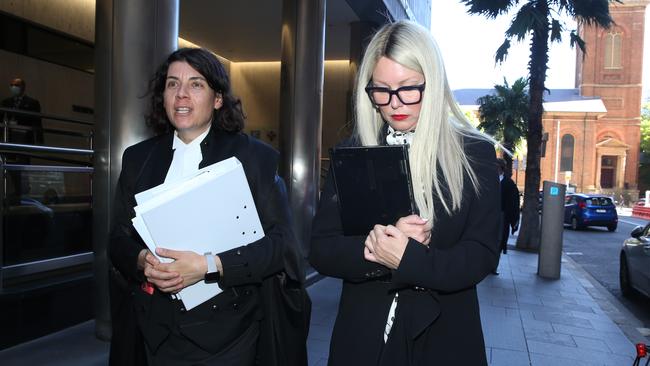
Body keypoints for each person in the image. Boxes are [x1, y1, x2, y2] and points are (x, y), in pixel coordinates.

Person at [309, 20, 501, 366]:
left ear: (435, 82)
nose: (394, 103)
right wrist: (377, 247)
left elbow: (481, 255)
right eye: (381, 90)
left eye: (408, 88)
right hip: (363, 340)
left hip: (445, 339)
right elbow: (321, 249)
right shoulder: (354, 151)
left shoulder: (475, 153)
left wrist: (409, 258)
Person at [109, 48, 310, 366]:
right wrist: (142, 260)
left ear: (218, 99)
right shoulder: (138, 159)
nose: (181, 94)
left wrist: (208, 265)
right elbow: (117, 239)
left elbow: (282, 248)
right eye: (172, 84)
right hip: (154, 334)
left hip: (229, 334)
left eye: (196, 84)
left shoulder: (254, 158)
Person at [1, 77, 43, 144]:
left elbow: (37, 122)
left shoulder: (32, 103)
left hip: (25, 135)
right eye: (11, 85)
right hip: (9, 135)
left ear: (23, 87)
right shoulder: (6, 102)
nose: (13, 87)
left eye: (16, 85)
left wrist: (39, 140)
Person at [497, 158, 520, 255]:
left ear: (501, 168)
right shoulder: (488, 181)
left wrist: (514, 221)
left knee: (499, 241)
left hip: (502, 216)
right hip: (488, 216)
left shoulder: (509, 184)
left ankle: (494, 266)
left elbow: (514, 203)